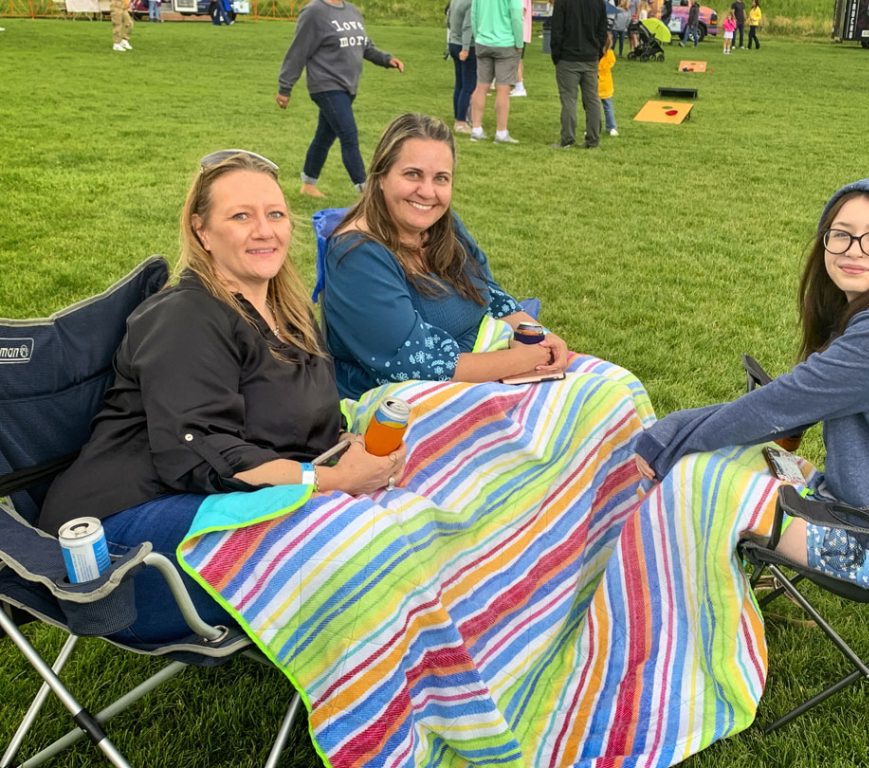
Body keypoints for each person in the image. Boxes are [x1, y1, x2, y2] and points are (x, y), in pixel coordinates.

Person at [38, 150, 406, 643]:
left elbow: (293, 419)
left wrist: (346, 445)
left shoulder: (288, 312)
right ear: (202, 231)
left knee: (415, 509)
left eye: (275, 214)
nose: (264, 230)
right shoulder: (186, 316)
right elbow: (200, 453)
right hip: (125, 538)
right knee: (357, 541)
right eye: (240, 216)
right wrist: (329, 480)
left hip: (210, 496)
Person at [636, 178, 869, 589]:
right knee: (717, 460)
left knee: (695, 484)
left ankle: (685, 622)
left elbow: (776, 407)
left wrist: (667, 436)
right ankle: (713, 592)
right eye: (841, 235)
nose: (854, 250)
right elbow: (790, 406)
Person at [319, 114, 569, 397]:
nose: (427, 192)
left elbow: (489, 294)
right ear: (380, 177)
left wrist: (539, 335)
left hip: (489, 370)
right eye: (412, 174)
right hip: (404, 402)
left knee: (616, 391)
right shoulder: (357, 256)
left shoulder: (442, 226)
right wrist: (526, 358)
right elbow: (416, 365)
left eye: (441, 178)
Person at [276, 0, 405, 198]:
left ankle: (308, 184)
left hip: (347, 87)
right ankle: (366, 191)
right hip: (326, 85)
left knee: (324, 136)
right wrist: (285, 87)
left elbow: (364, 46)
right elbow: (298, 51)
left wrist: (386, 59)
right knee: (349, 134)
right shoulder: (314, 12)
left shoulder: (351, 11)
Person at [550, 0, 607, 150]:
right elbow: (603, 30)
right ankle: (593, 139)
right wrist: (598, 51)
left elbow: (556, 29)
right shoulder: (598, 2)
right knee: (592, 100)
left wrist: (556, 55)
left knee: (569, 100)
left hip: (568, 58)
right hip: (590, 57)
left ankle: (568, 139)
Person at [469, 0, 523, 144]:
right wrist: (519, 42)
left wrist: (477, 36)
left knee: (481, 86)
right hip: (506, 43)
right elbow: (517, 17)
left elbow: (473, 14)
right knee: (503, 90)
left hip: (483, 41)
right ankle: (501, 132)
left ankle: (476, 129)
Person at [447, 0, 476, 134]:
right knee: (468, 86)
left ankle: (458, 116)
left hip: (453, 42)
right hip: (466, 46)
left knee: (459, 84)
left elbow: (448, 20)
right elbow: (468, 27)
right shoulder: (472, 2)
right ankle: (461, 122)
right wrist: (465, 48)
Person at [598, 32, 619, 137]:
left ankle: (596, 127)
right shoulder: (610, 54)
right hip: (605, 85)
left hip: (598, 84)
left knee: (595, 107)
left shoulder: (598, 54)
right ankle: (611, 127)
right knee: (608, 107)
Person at [512, 0, 531, 97]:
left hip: (518, 32)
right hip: (522, 32)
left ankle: (520, 87)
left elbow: (520, 12)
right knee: (519, 59)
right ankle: (518, 84)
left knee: (516, 60)